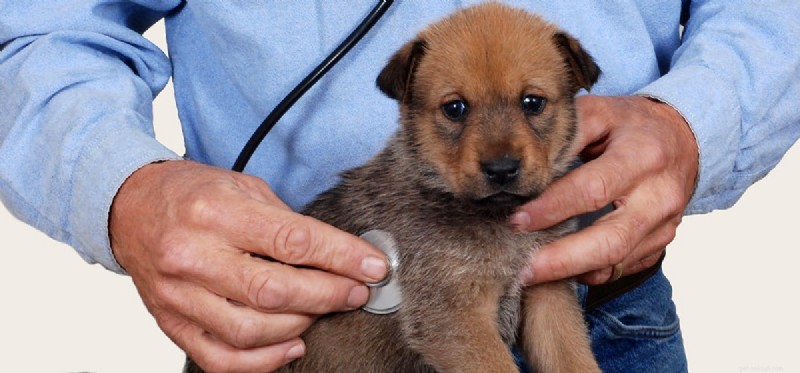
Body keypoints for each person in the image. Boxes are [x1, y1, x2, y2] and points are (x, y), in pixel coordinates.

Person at [1, 1, 798, 372]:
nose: (498, 148)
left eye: (532, 105)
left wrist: (699, 116)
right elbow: (39, 25)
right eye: (453, 112)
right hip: (278, 320)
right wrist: (122, 185)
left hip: (611, 298)